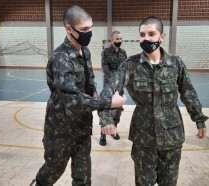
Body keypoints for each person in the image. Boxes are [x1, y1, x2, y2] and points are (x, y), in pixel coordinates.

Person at [99, 16, 209, 186]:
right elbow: (108, 90)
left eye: (151, 34)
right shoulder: (130, 65)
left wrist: (199, 118)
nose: (146, 38)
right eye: (142, 34)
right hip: (144, 138)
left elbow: (188, 92)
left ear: (162, 37)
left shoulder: (175, 64)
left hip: (171, 136)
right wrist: (106, 118)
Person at [30, 6, 126, 186]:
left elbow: (91, 88)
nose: (89, 33)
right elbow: (72, 101)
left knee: (83, 178)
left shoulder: (85, 52)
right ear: (69, 28)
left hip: (82, 127)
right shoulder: (61, 58)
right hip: (61, 130)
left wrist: (105, 117)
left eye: (90, 28)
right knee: (51, 172)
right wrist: (109, 102)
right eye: (84, 30)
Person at [100, 30, 127, 146]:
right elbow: (105, 68)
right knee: (106, 110)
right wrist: (115, 82)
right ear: (112, 40)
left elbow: (125, 68)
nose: (119, 41)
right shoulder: (105, 52)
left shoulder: (124, 53)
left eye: (120, 39)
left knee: (117, 111)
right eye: (117, 39)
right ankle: (103, 134)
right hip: (109, 86)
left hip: (120, 87)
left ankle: (114, 131)